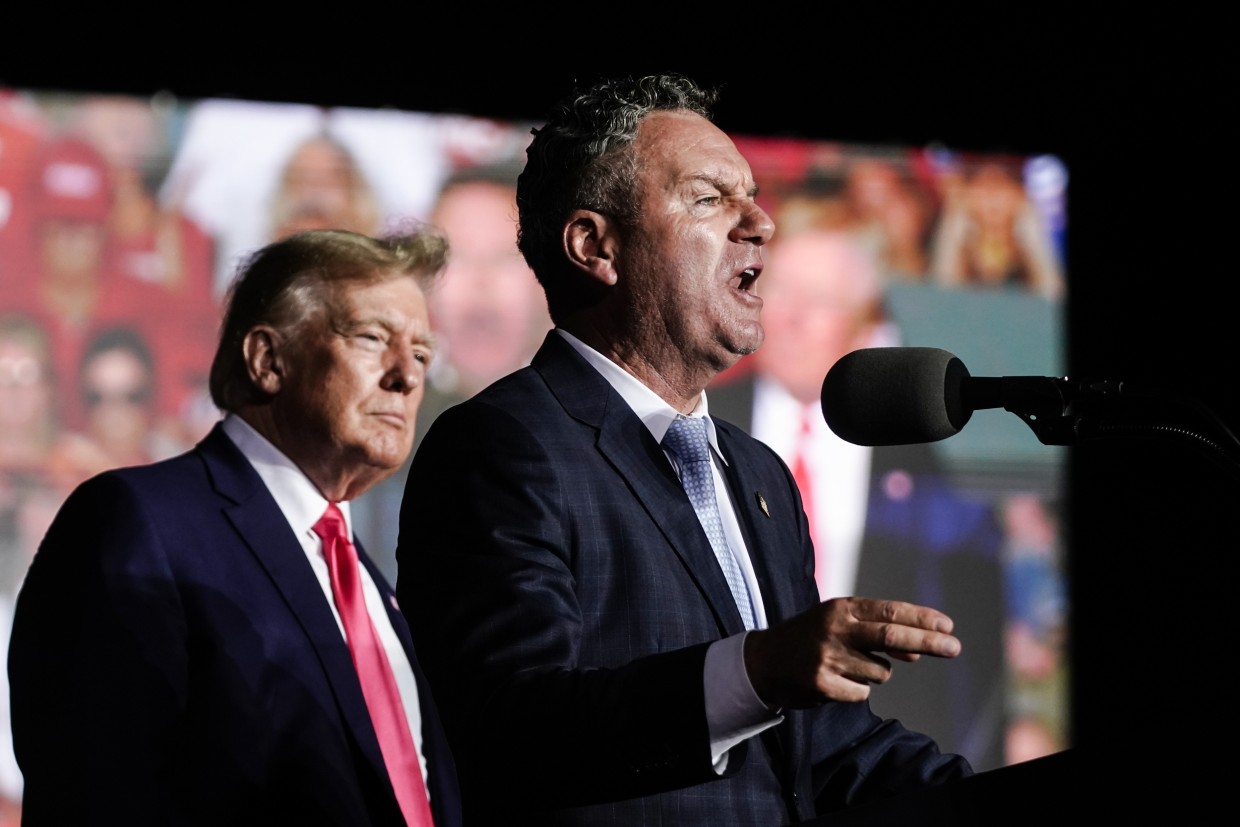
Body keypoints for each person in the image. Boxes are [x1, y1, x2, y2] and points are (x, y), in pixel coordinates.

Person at [397, 73, 971, 826]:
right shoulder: (502, 447)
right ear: (595, 246)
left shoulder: (758, 472)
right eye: (709, 199)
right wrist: (755, 670)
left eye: (752, 197)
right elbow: (514, 728)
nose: (760, 223)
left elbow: (818, 748)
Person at [8, 228, 462, 826]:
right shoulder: (139, 522)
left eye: (422, 354)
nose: (406, 375)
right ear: (267, 360)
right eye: (372, 338)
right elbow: (95, 788)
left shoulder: (370, 583)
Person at [708, 227, 1007, 769]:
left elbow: (973, 645)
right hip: (727, 746)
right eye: (781, 291)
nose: (792, 316)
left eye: (820, 300)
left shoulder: (920, 460)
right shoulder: (702, 423)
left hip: (873, 756)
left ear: (866, 327)